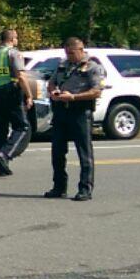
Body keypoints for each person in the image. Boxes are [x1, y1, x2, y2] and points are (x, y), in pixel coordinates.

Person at [45, 36, 104, 201]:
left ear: (81, 50)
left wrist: (73, 97)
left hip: (80, 111)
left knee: (84, 152)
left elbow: (96, 91)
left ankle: (85, 189)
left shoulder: (93, 67)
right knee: (57, 151)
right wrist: (54, 92)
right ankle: (59, 187)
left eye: (72, 53)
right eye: (67, 53)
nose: (69, 56)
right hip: (61, 111)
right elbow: (51, 83)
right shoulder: (63, 65)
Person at [0, 28, 32, 176]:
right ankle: (5, 154)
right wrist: (29, 95)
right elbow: (21, 76)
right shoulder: (13, 53)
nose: (17, 40)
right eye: (16, 38)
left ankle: (2, 168)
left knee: (1, 129)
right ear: (11, 39)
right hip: (10, 91)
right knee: (22, 127)